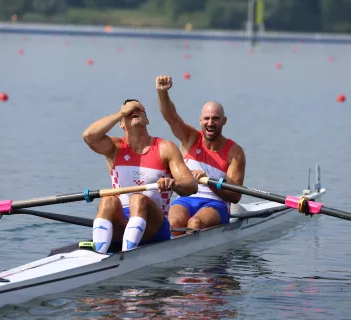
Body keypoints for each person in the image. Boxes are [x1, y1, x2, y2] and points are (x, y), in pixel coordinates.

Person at [83, 99, 197, 253]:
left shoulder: (165, 148)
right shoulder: (114, 148)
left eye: (139, 109)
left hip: (155, 227)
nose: (134, 111)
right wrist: (121, 113)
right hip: (122, 222)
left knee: (138, 198)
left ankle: (127, 256)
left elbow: (191, 185)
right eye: (129, 111)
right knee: (107, 200)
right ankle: (99, 254)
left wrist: (174, 184)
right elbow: (89, 136)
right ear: (121, 123)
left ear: (147, 120)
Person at [156, 75, 246, 235]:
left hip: (216, 203)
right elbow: (171, 118)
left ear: (224, 121)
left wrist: (210, 181)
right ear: (200, 121)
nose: (210, 123)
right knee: (174, 223)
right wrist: (162, 93)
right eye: (207, 119)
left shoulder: (235, 152)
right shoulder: (190, 138)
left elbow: (235, 196)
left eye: (215, 119)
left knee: (194, 223)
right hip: (185, 199)